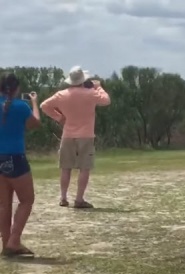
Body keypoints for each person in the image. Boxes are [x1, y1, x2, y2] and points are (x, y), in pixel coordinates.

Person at [40, 66, 111, 209]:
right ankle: (79, 199)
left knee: (65, 168)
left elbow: (44, 106)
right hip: (86, 135)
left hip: (68, 134)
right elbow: (106, 100)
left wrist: (59, 117)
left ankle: (63, 197)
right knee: (84, 168)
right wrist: (98, 87)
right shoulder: (90, 93)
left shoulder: (61, 94)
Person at [0, 72, 41, 257]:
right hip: (16, 157)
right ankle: (14, 241)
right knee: (26, 200)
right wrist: (34, 103)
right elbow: (34, 124)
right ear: (17, 89)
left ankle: (6, 242)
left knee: (4, 204)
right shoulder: (21, 106)